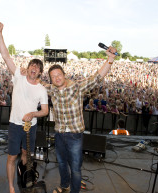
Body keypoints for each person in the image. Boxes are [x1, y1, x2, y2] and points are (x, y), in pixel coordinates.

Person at [45, 46, 117, 193]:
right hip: (59, 134)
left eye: (59, 74)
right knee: (61, 164)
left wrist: (110, 59)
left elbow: (96, 78)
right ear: (51, 79)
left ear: (64, 75)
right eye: (53, 76)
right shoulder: (51, 89)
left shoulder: (77, 87)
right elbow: (36, 83)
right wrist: (25, 73)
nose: (57, 78)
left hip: (74, 136)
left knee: (76, 169)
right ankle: (65, 186)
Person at [0, 22, 49, 193]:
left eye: (37, 67)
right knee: (12, 156)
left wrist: (33, 113)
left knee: (26, 156)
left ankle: (24, 179)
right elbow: (5, 56)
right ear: (28, 68)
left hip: (30, 127)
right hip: (14, 124)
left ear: (40, 73)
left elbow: (45, 111)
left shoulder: (41, 89)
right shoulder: (19, 75)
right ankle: (11, 187)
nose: (34, 68)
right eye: (32, 65)